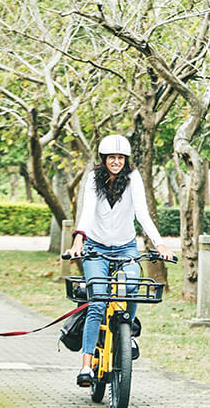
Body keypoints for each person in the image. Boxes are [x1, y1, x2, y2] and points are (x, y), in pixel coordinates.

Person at [66, 134, 170, 387]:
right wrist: (79, 239)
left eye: (120, 157)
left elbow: (142, 213)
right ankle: (86, 366)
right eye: (111, 157)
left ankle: (129, 333)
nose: (116, 162)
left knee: (133, 288)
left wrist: (159, 243)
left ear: (126, 160)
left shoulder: (133, 178)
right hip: (95, 247)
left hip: (125, 248)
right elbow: (88, 210)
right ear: (103, 159)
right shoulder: (93, 178)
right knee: (98, 302)